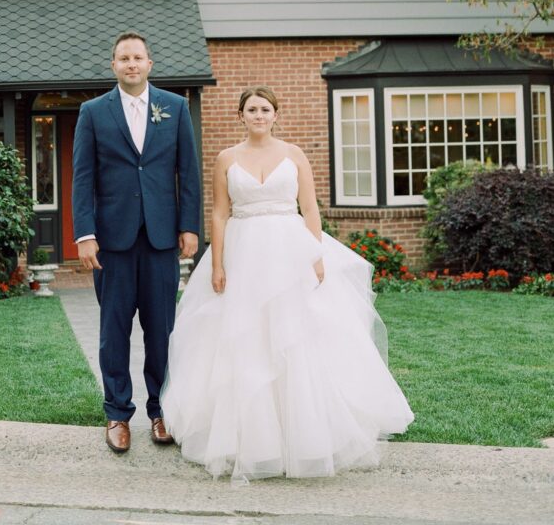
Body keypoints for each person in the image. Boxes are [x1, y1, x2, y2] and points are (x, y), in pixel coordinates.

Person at [161, 85, 414, 483]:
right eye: (251, 110)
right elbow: (219, 213)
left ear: (275, 114)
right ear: (240, 115)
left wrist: (314, 255)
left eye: (265, 109)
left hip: (289, 248)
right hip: (243, 253)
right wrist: (217, 263)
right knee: (246, 338)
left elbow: (310, 208)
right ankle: (254, 441)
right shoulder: (226, 158)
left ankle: (306, 438)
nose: (258, 116)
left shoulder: (294, 154)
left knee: (296, 337)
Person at [72, 31, 202, 455]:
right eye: (123, 58)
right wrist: (85, 234)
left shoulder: (176, 107)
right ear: (113, 66)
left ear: (149, 64)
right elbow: (83, 178)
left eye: (138, 57)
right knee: (114, 330)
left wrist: (189, 226)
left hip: (162, 237)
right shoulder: (93, 112)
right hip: (111, 240)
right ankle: (117, 414)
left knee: (162, 331)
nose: (131, 64)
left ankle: (161, 411)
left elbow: (188, 171)